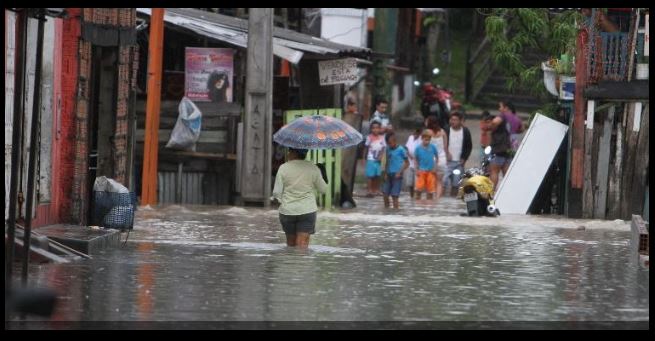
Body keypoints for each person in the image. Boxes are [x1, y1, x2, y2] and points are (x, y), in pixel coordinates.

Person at [272, 148, 327, 249]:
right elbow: (323, 189)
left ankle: (291, 264)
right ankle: (300, 265)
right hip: (307, 210)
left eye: (290, 151)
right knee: (302, 247)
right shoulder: (313, 168)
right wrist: (322, 173)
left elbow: (276, 192)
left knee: (290, 246)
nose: (288, 153)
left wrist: (282, 201)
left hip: (287, 211)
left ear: (294, 153)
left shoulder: (283, 168)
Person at [444, 112, 472, 196]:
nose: (452, 121)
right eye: (451, 119)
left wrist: (464, 158)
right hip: (447, 162)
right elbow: (441, 144)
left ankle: (453, 201)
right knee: (443, 181)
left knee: (456, 183)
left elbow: (468, 146)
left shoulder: (465, 131)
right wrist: (446, 154)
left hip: (459, 163)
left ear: (460, 121)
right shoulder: (446, 130)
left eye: (455, 120)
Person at [382, 132, 409, 209]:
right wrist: (386, 173)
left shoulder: (401, 150)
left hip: (397, 176)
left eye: (391, 143)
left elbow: (407, 163)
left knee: (395, 196)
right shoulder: (387, 149)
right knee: (385, 194)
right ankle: (386, 210)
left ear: (395, 141)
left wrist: (399, 172)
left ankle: (395, 211)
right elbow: (387, 161)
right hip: (389, 174)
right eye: (388, 143)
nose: (390, 145)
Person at [425, 116, 448, 201]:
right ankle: (437, 199)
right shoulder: (443, 132)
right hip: (441, 159)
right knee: (439, 181)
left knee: (430, 180)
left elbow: (423, 147)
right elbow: (445, 147)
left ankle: (430, 199)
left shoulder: (427, 132)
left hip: (430, 159)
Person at [488, 112, 512, 190]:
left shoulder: (496, 127)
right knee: (507, 174)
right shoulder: (505, 129)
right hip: (507, 151)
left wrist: (491, 126)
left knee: (494, 172)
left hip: (497, 151)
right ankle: (507, 191)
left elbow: (494, 122)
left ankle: (491, 191)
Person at [414, 130, 439, 200]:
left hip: (431, 171)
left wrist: (435, 168)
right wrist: (416, 170)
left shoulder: (433, 147)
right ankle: (418, 205)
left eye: (428, 140)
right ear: (422, 138)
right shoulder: (418, 148)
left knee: (430, 191)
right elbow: (415, 159)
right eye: (425, 140)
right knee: (418, 190)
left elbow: (437, 157)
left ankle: (429, 206)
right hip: (421, 171)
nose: (427, 142)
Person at [364, 121, 386, 197]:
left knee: (377, 175)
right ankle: (369, 190)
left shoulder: (382, 138)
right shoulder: (369, 137)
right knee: (370, 175)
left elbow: (383, 148)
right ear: (371, 129)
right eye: (373, 128)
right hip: (370, 158)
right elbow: (366, 148)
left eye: (377, 128)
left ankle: (376, 190)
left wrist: (381, 156)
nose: (375, 130)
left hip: (378, 160)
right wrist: (364, 158)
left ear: (380, 129)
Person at [403, 126, 422, 199]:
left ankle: (417, 197)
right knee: (410, 183)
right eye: (414, 133)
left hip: (418, 165)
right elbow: (406, 148)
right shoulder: (410, 137)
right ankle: (411, 197)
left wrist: (416, 158)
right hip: (410, 163)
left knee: (417, 183)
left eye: (417, 133)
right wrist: (409, 155)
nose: (415, 134)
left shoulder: (421, 139)